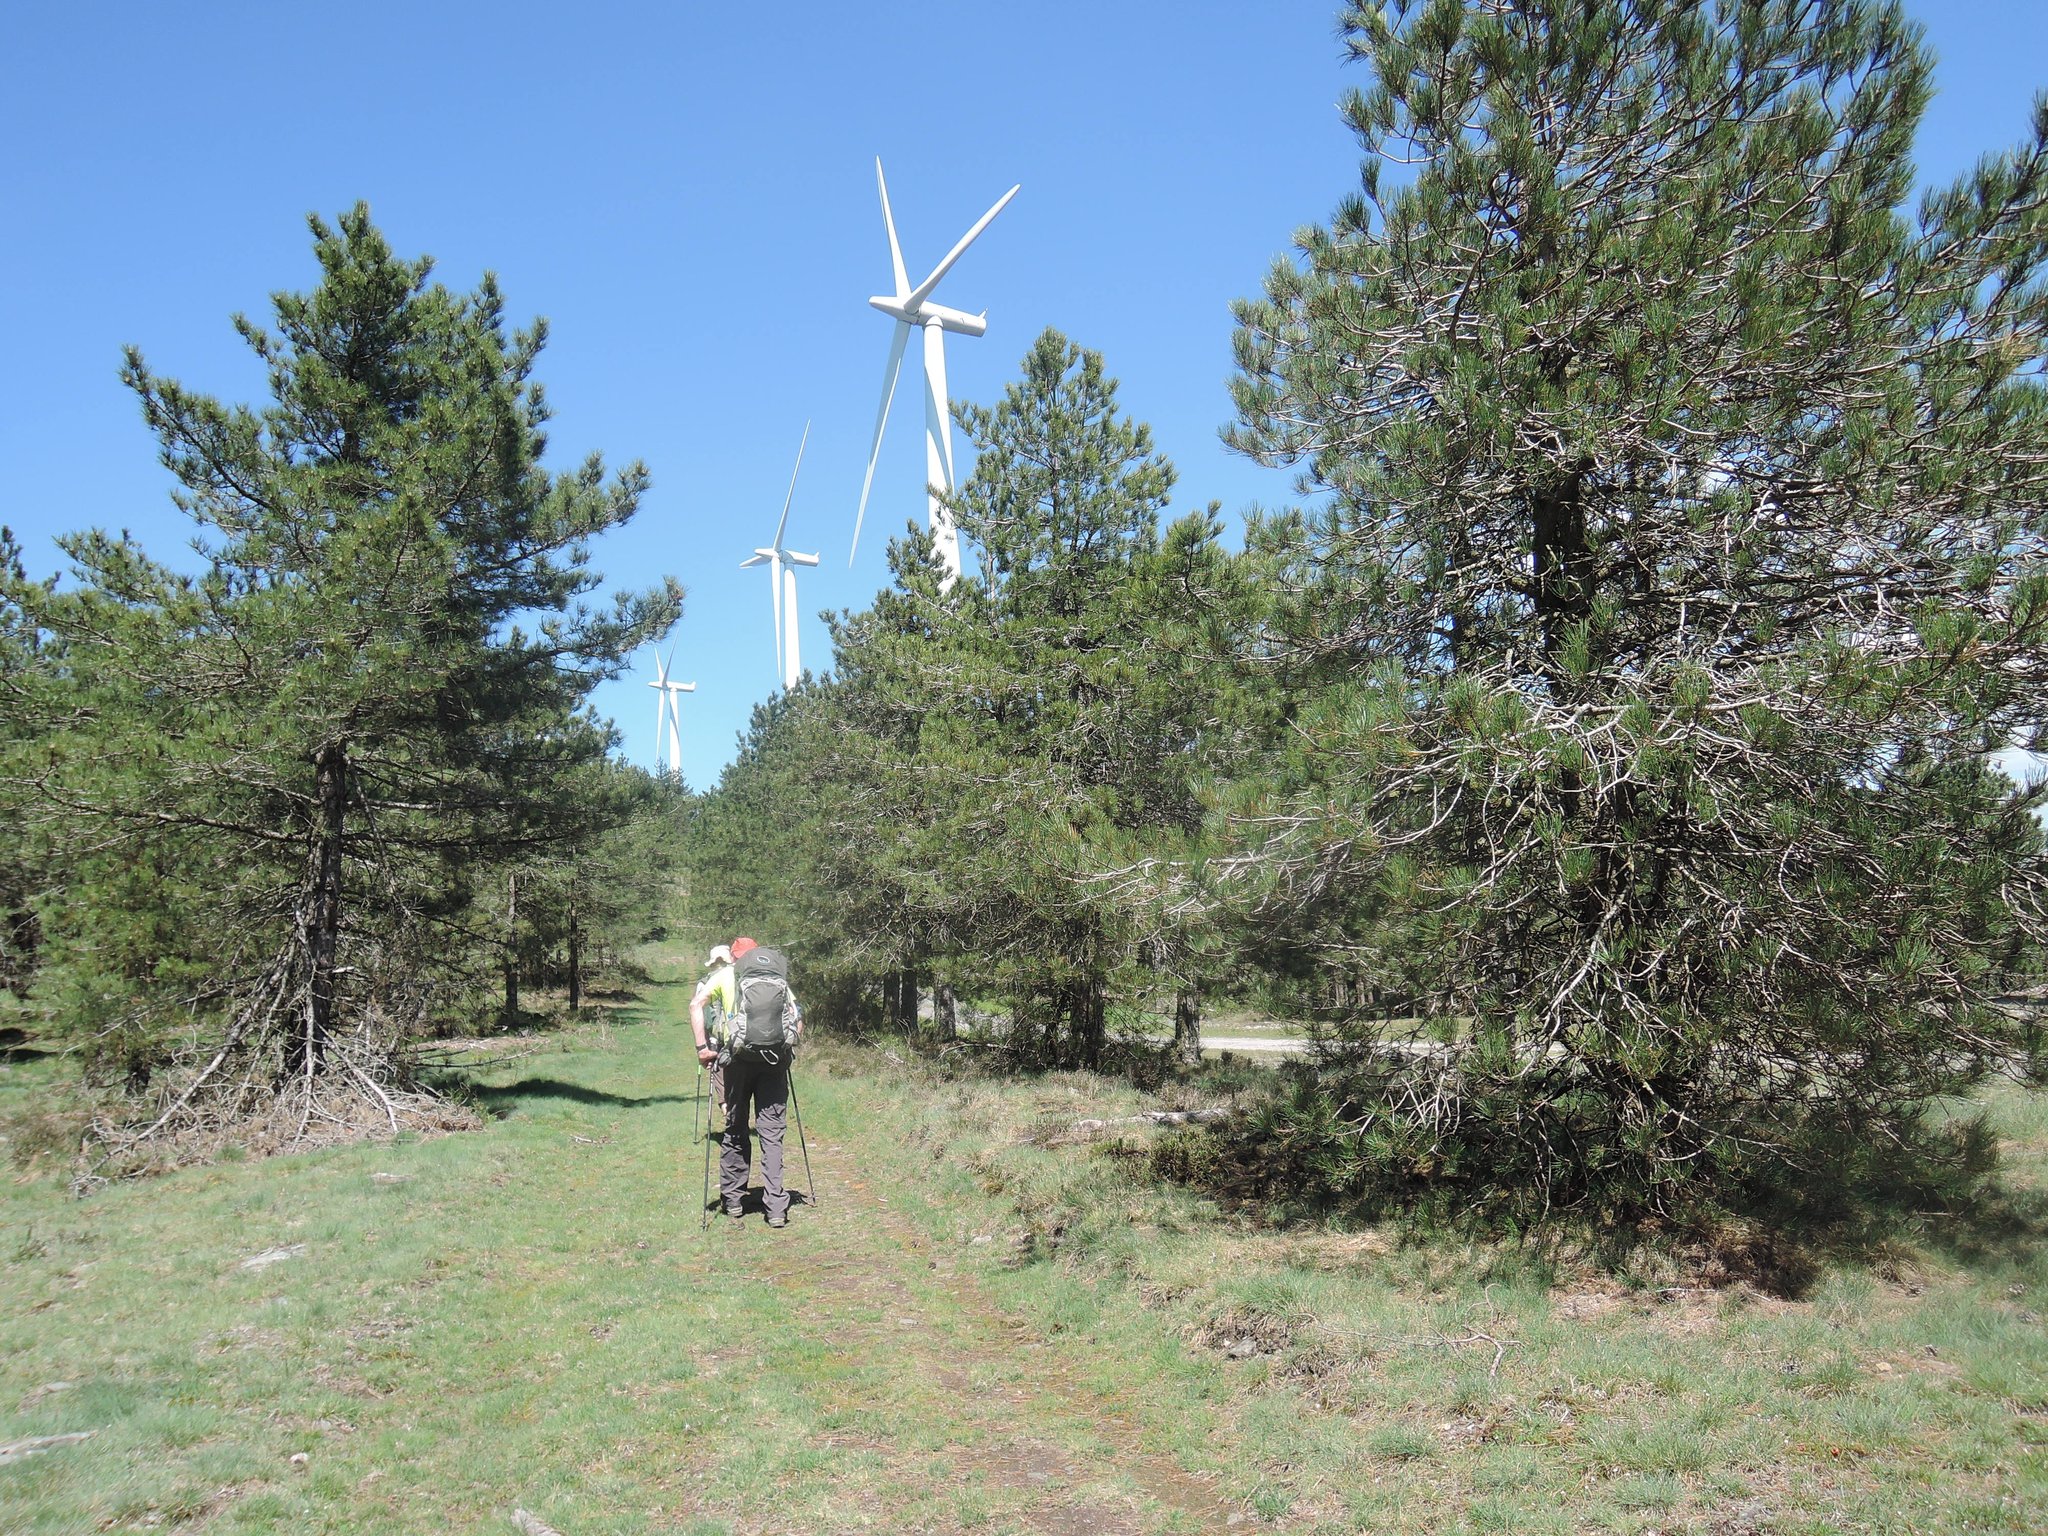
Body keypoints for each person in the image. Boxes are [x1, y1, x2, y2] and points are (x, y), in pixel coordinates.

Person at [716, 936, 803, 1228]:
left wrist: (704, 1049)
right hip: (774, 1064)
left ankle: (733, 1200)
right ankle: (776, 1208)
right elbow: (797, 1020)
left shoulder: (727, 977)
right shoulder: (779, 982)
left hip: (738, 1062)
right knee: (772, 1133)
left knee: (736, 1127)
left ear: (735, 957)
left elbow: (697, 1005)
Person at [689, 943, 735, 1118]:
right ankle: (735, 1110)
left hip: (715, 1036)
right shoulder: (735, 978)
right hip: (735, 1033)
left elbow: (699, 1011)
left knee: (719, 1070)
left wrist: (702, 1044)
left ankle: (726, 1107)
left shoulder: (705, 983)